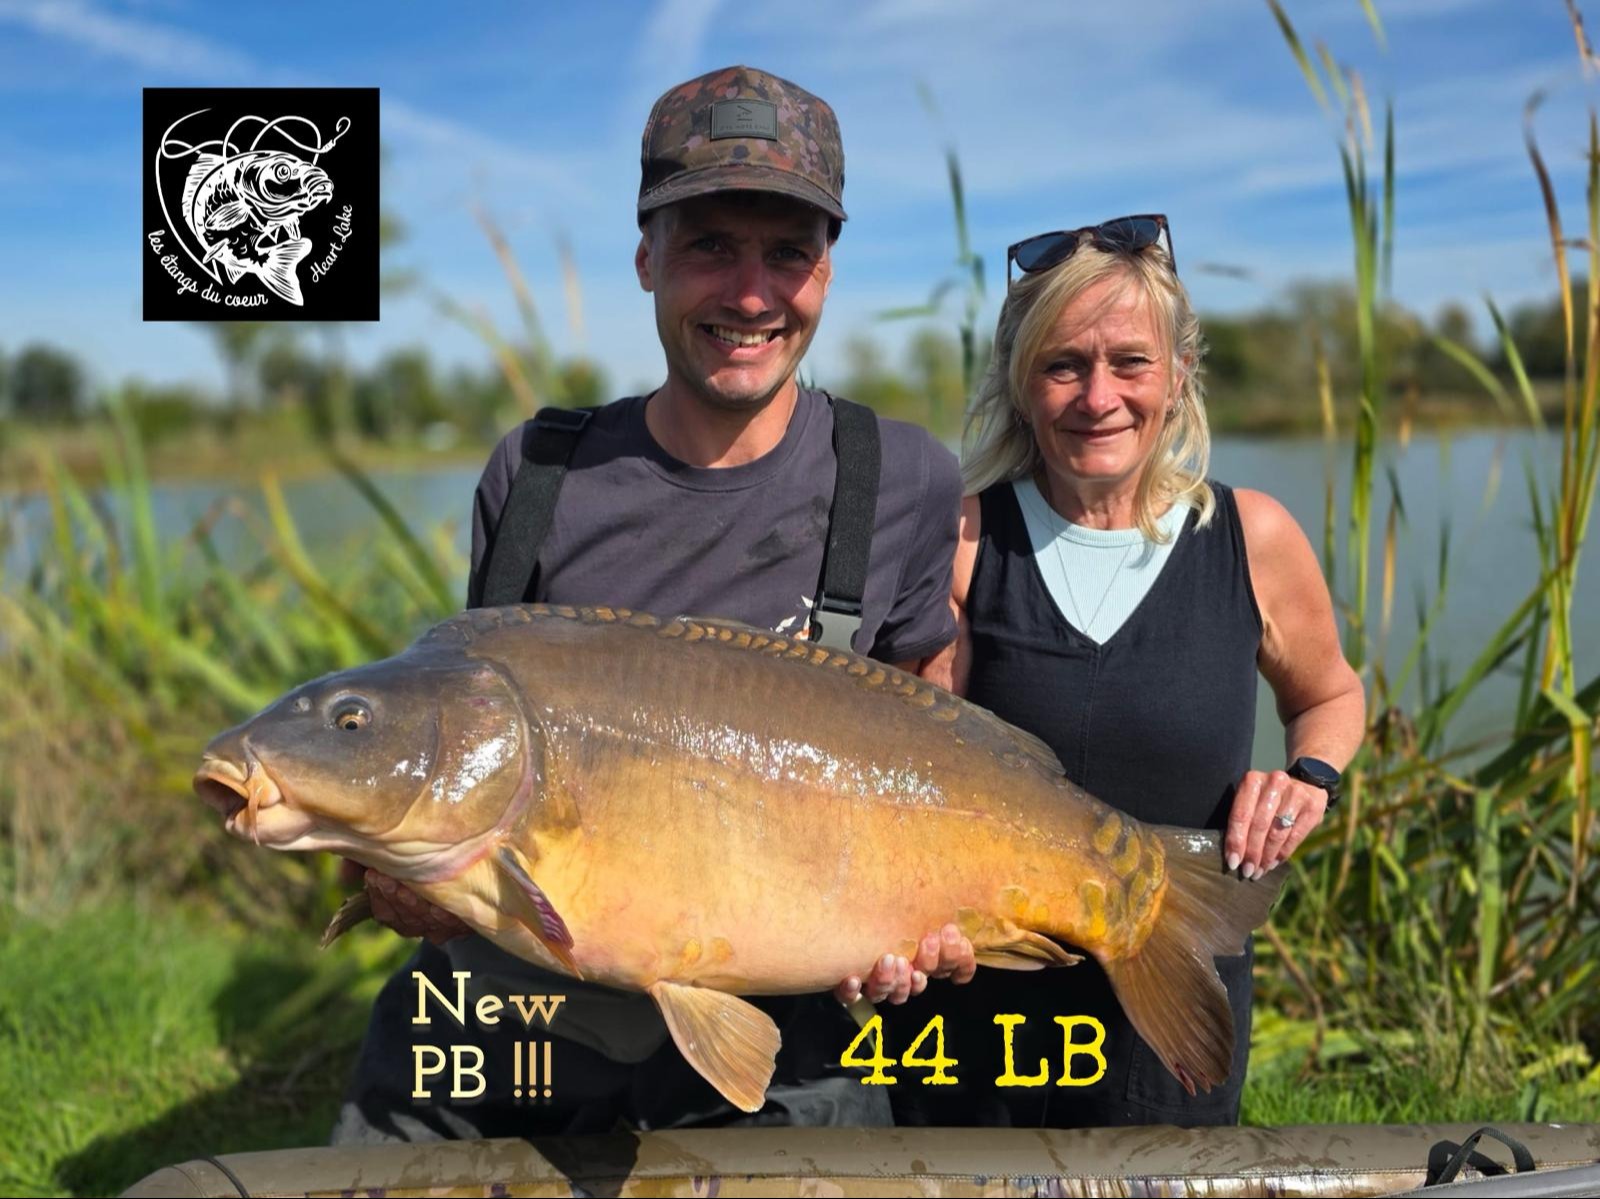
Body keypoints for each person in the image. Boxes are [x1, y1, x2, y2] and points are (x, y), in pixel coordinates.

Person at [330, 65, 977, 1144]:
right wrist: (403, 870)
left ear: (826, 270)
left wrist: (925, 913)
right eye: (710, 245)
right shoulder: (537, 472)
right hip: (526, 998)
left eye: (788, 252)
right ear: (646, 258)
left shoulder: (901, 476)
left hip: (783, 1008)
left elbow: (929, 723)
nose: (751, 294)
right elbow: (466, 747)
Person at [887, 216, 1365, 1128]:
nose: (1098, 396)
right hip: (978, 1015)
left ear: (1179, 373)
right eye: (1064, 365)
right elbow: (912, 777)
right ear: (1020, 381)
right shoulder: (962, 542)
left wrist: (1309, 775)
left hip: (1172, 1000)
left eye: (1131, 362)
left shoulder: (1253, 538)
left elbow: (1331, 693)